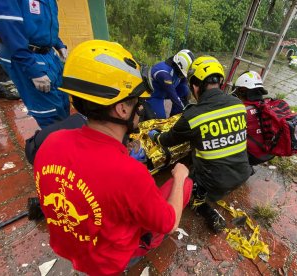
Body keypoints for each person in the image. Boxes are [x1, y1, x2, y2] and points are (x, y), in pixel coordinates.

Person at [33, 40, 193, 275]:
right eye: (138, 102)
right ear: (122, 109)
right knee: (184, 185)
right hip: (108, 262)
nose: (141, 108)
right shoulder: (129, 173)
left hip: (72, 249)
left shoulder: (51, 143)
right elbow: (170, 225)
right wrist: (179, 176)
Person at [148, 56, 252, 233]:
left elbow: (168, 140)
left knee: (187, 184)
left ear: (195, 86)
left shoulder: (193, 115)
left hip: (216, 183)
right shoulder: (238, 105)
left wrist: (156, 135)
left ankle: (205, 209)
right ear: (220, 82)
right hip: (242, 174)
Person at [0, 1, 70, 128]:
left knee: (63, 101)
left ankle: (67, 138)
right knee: (49, 113)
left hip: (49, 54)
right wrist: (32, 69)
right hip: (27, 56)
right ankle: (57, 142)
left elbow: (45, 25)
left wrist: (58, 44)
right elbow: (9, 28)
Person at [233, 71, 275, 165]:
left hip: (252, 156)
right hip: (270, 153)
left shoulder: (241, 111)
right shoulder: (266, 106)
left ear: (242, 90)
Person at [146, 49, 194, 119]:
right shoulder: (163, 73)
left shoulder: (179, 70)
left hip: (165, 92)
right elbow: (173, 96)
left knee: (184, 90)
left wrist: (186, 106)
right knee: (159, 120)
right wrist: (186, 113)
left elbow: (184, 87)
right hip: (154, 96)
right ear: (180, 66)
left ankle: (175, 116)